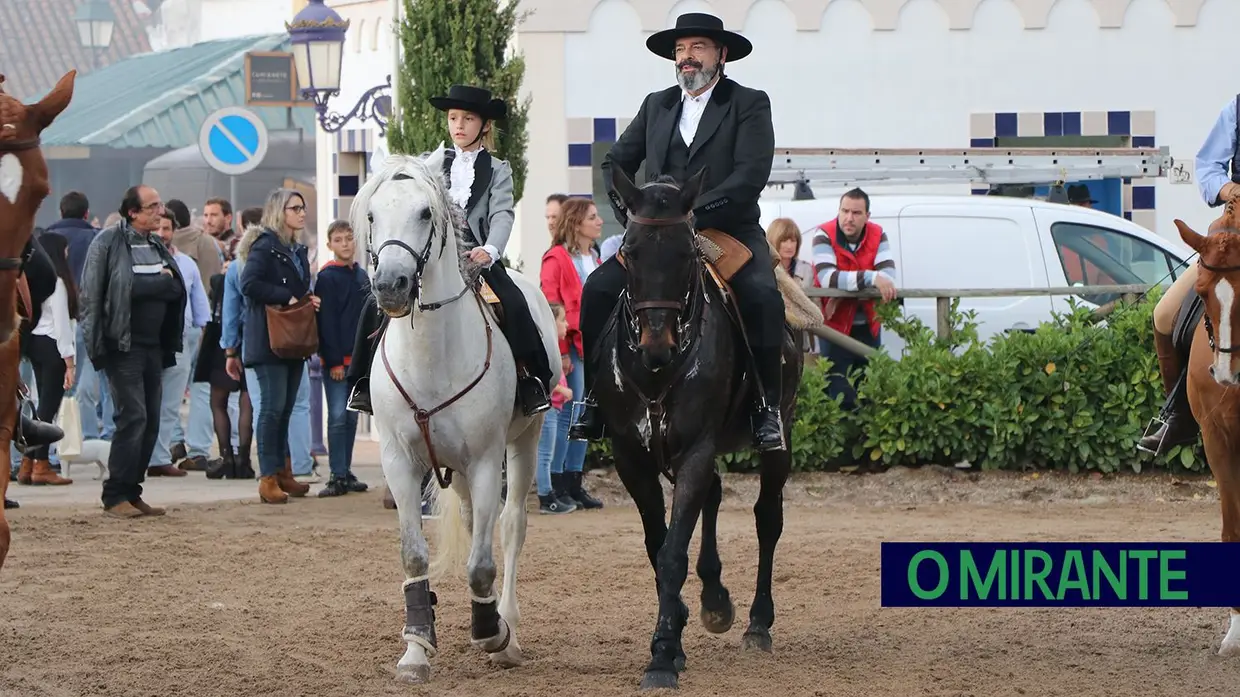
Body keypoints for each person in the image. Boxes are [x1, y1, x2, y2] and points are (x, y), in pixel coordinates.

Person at [568, 12, 788, 452]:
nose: (687, 58)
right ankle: (592, 399)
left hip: (729, 228)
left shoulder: (748, 103)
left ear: (721, 54)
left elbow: (750, 176)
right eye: (681, 50)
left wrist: (690, 211)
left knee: (763, 296)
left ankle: (767, 408)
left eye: (698, 48)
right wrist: (636, 212)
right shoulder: (657, 104)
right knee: (596, 289)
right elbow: (614, 163)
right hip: (658, 236)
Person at [346, 84, 554, 418]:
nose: (458, 125)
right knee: (376, 305)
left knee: (514, 302)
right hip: (430, 258)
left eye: (468, 119)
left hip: (476, 258)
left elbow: (502, 213)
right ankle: (363, 380)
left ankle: (530, 380)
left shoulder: (498, 169)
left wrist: (491, 248)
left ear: (484, 125)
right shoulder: (429, 165)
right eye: (453, 117)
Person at [1138, 96, 1240, 455]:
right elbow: (1208, 166)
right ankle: (1178, 416)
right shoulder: (1236, 109)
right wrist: (1229, 190)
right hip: (1234, 233)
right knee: (1164, 315)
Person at [79, 185, 187, 518]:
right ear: (133, 212)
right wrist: (96, 345)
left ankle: (132, 490)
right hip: (121, 346)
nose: (160, 211)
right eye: (153, 206)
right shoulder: (108, 243)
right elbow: (96, 295)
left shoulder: (157, 244)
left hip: (154, 346)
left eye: (161, 205)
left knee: (151, 422)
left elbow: (176, 287)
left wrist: (155, 286)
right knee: (133, 417)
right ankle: (114, 496)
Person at [238, 189, 317, 504]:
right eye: (295, 208)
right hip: (269, 339)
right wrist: (285, 296)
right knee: (271, 408)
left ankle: (284, 472)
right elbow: (249, 285)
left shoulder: (296, 249)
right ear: (278, 212)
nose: (301, 213)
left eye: (303, 207)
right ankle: (267, 476)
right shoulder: (265, 246)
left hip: (293, 338)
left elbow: (298, 289)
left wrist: (307, 300)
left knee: (284, 408)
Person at [313, 220, 370, 497]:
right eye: (339, 240)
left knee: (350, 418)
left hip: (358, 360)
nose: (345, 244)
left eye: (349, 238)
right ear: (330, 245)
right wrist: (333, 360)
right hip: (337, 362)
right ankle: (335, 474)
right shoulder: (327, 278)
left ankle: (346, 471)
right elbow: (326, 323)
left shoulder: (362, 277)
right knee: (336, 416)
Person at [13, 233, 74, 487]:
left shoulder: (33, 281)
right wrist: (69, 362)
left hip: (34, 343)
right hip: (52, 345)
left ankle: (27, 465)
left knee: (40, 407)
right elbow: (62, 324)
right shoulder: (56, 282)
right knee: (48, 408)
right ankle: (42, 465)